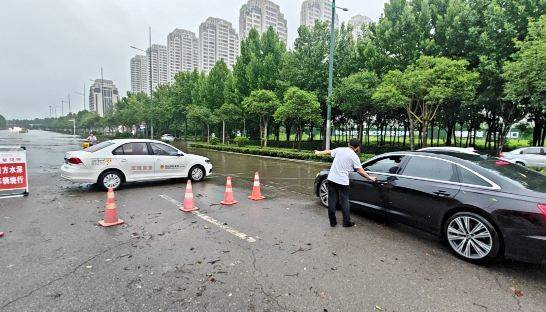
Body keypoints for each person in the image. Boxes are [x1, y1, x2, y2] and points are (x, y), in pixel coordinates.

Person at [315, 139, 377, 227]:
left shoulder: (340, 149)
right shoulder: (354, 156)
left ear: (348, 144)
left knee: (332, 200)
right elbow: (360, 171)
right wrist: (370, 177)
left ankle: (333, 222)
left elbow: (328, 152)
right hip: (342, 182)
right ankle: (346, 222)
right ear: (357, 147)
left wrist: (318, 152)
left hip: (332, 179)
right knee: (344, 201)